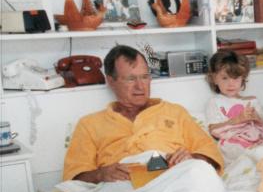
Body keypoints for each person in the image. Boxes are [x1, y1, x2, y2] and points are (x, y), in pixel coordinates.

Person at [63, 45, 223, 184]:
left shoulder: (175, 112)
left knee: (196, 179)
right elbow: (74, 178)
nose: (140, 87)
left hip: (176, 179)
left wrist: (192, 158)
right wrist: (100, 174)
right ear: (111, 81)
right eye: (131, 79)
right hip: (123, 188)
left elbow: (211, 154)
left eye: (145, 77)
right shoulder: (90, 124)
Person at [203, 50, 263, 148]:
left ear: (242, 78)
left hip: (257, 140)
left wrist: (256, 117)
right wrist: (237, 119)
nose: (231, 84)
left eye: (236, 78)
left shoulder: (252, 101)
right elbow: (213, 129)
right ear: (215, 79)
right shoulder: (215, 102)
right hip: (234, 143)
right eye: (225, 78)